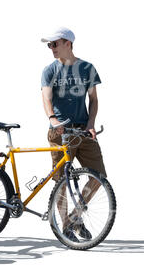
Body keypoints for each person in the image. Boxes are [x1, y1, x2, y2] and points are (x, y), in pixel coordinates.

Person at [40, 27, 107, 242]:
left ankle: (75, 217)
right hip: (60, 131)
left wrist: (91, 123)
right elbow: (46, 98)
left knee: (99, 176)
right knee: (61, 181)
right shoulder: (49, 70)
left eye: (54, 44)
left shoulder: (87, 68)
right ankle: (66, 228)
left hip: (82, 130)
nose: (51, 48)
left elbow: (94, 99)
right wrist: (52, 119)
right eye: (49, 45)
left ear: (68, 43)